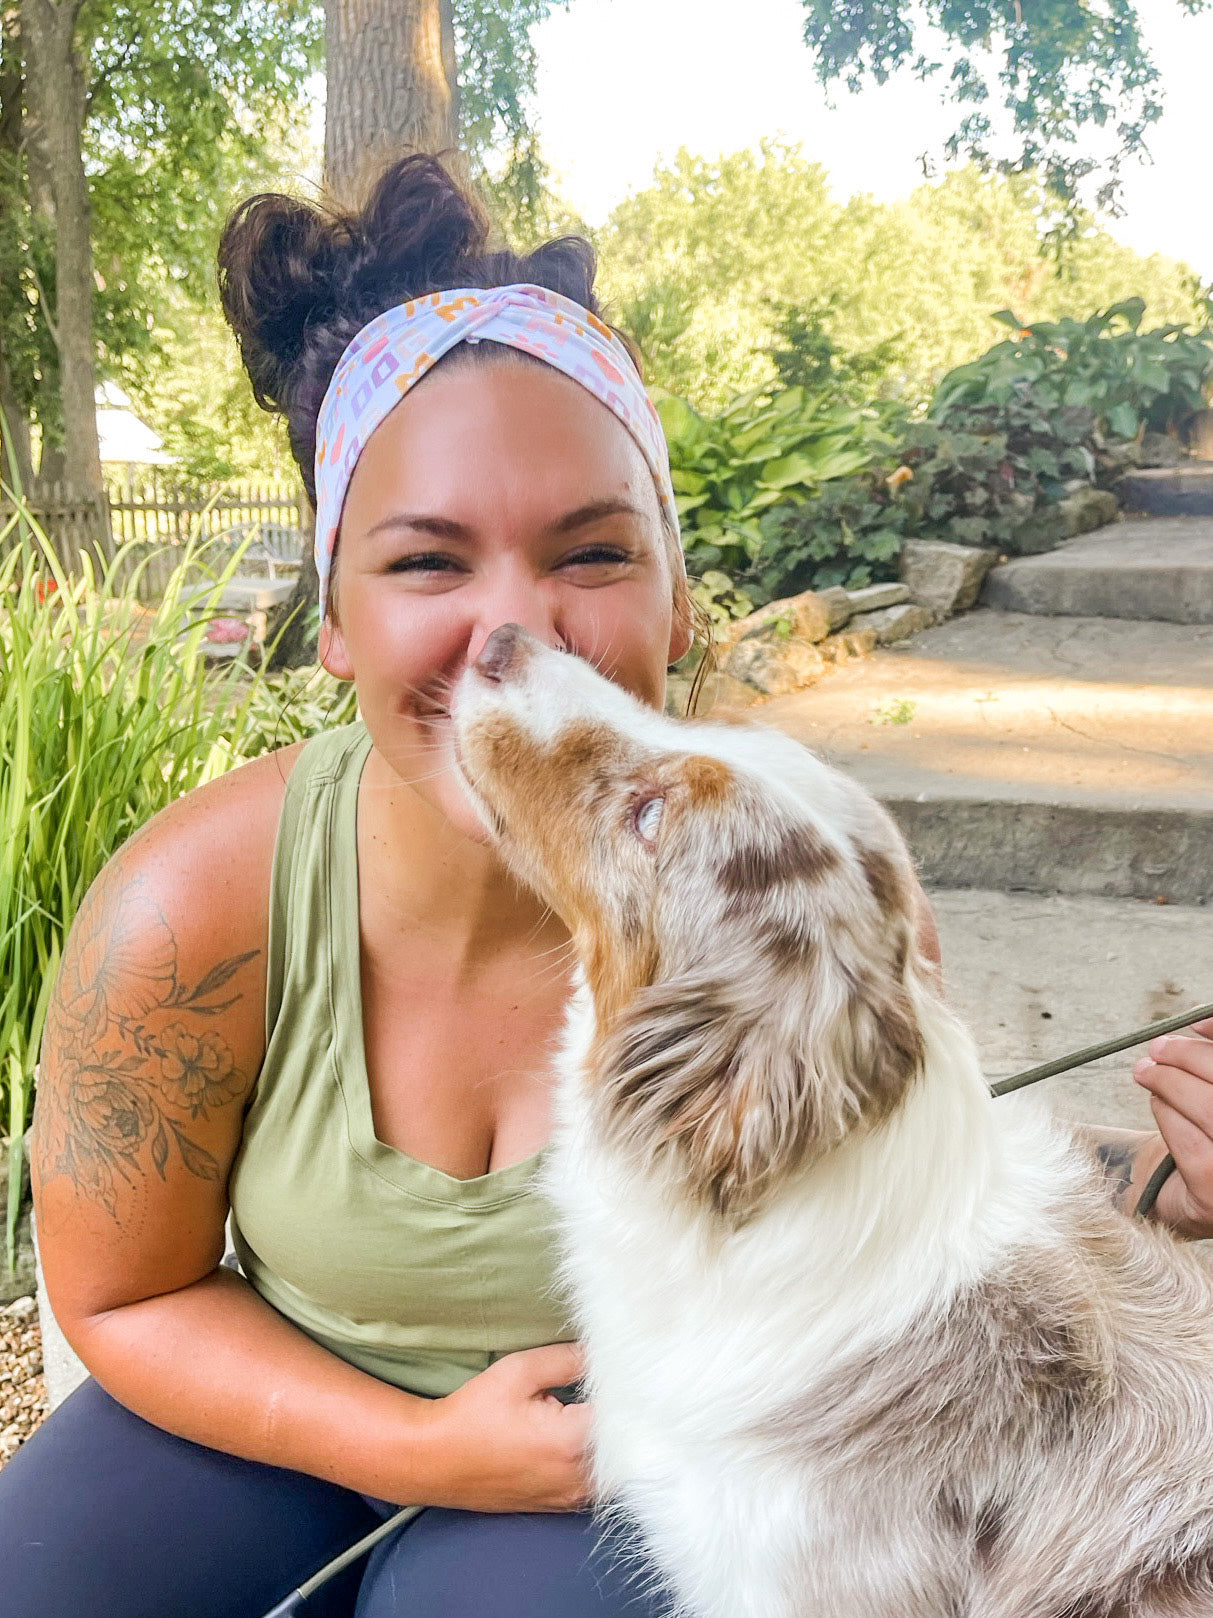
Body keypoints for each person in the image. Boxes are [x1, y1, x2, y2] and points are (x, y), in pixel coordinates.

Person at [0, 152, 1210, 1618]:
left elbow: (894, 1220)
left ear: (676, 590)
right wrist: (421, 1445)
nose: (514, 625)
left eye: (589, 549)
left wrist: (1161, 1178)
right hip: (281, 1406)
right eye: (426, 561)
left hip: (600, 1466)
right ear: (329, 615)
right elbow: (120, 1291)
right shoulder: (184, 913)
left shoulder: (786, 897)